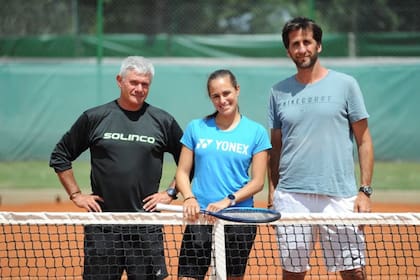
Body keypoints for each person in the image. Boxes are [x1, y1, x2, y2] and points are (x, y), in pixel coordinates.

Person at [49, 56, 183, 279]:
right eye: (133, 82)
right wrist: (76, 195)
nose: (139, 88)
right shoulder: (94, 117)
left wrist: (171, 192)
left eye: (145, 84)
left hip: (145, 225)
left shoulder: (163, 121)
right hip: (103, 226)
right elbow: (61, 155)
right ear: (119, 80)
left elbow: (189, 161)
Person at [267, 17, 374, 280]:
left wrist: (365, 191)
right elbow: (276, 147)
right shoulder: (277, 92)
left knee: (353, 272)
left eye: (307, 42)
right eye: (295, 44)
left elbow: (364, 140)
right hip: (292, 196)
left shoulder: (346, 84)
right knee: (292, 273)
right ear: (288, 50)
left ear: (319, 46)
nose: (302, 49)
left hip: (339, 195)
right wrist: (274, 192)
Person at [175, 69, 271, 280]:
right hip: (200, 218)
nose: (222, 100)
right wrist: (189, 197)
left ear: (237, 90)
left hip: (238, 220)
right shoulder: (196, 128)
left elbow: (257, 182)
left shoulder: (256, 132)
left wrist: (227, 201)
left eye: (226, 93)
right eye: (215, 96)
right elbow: (182, 172)